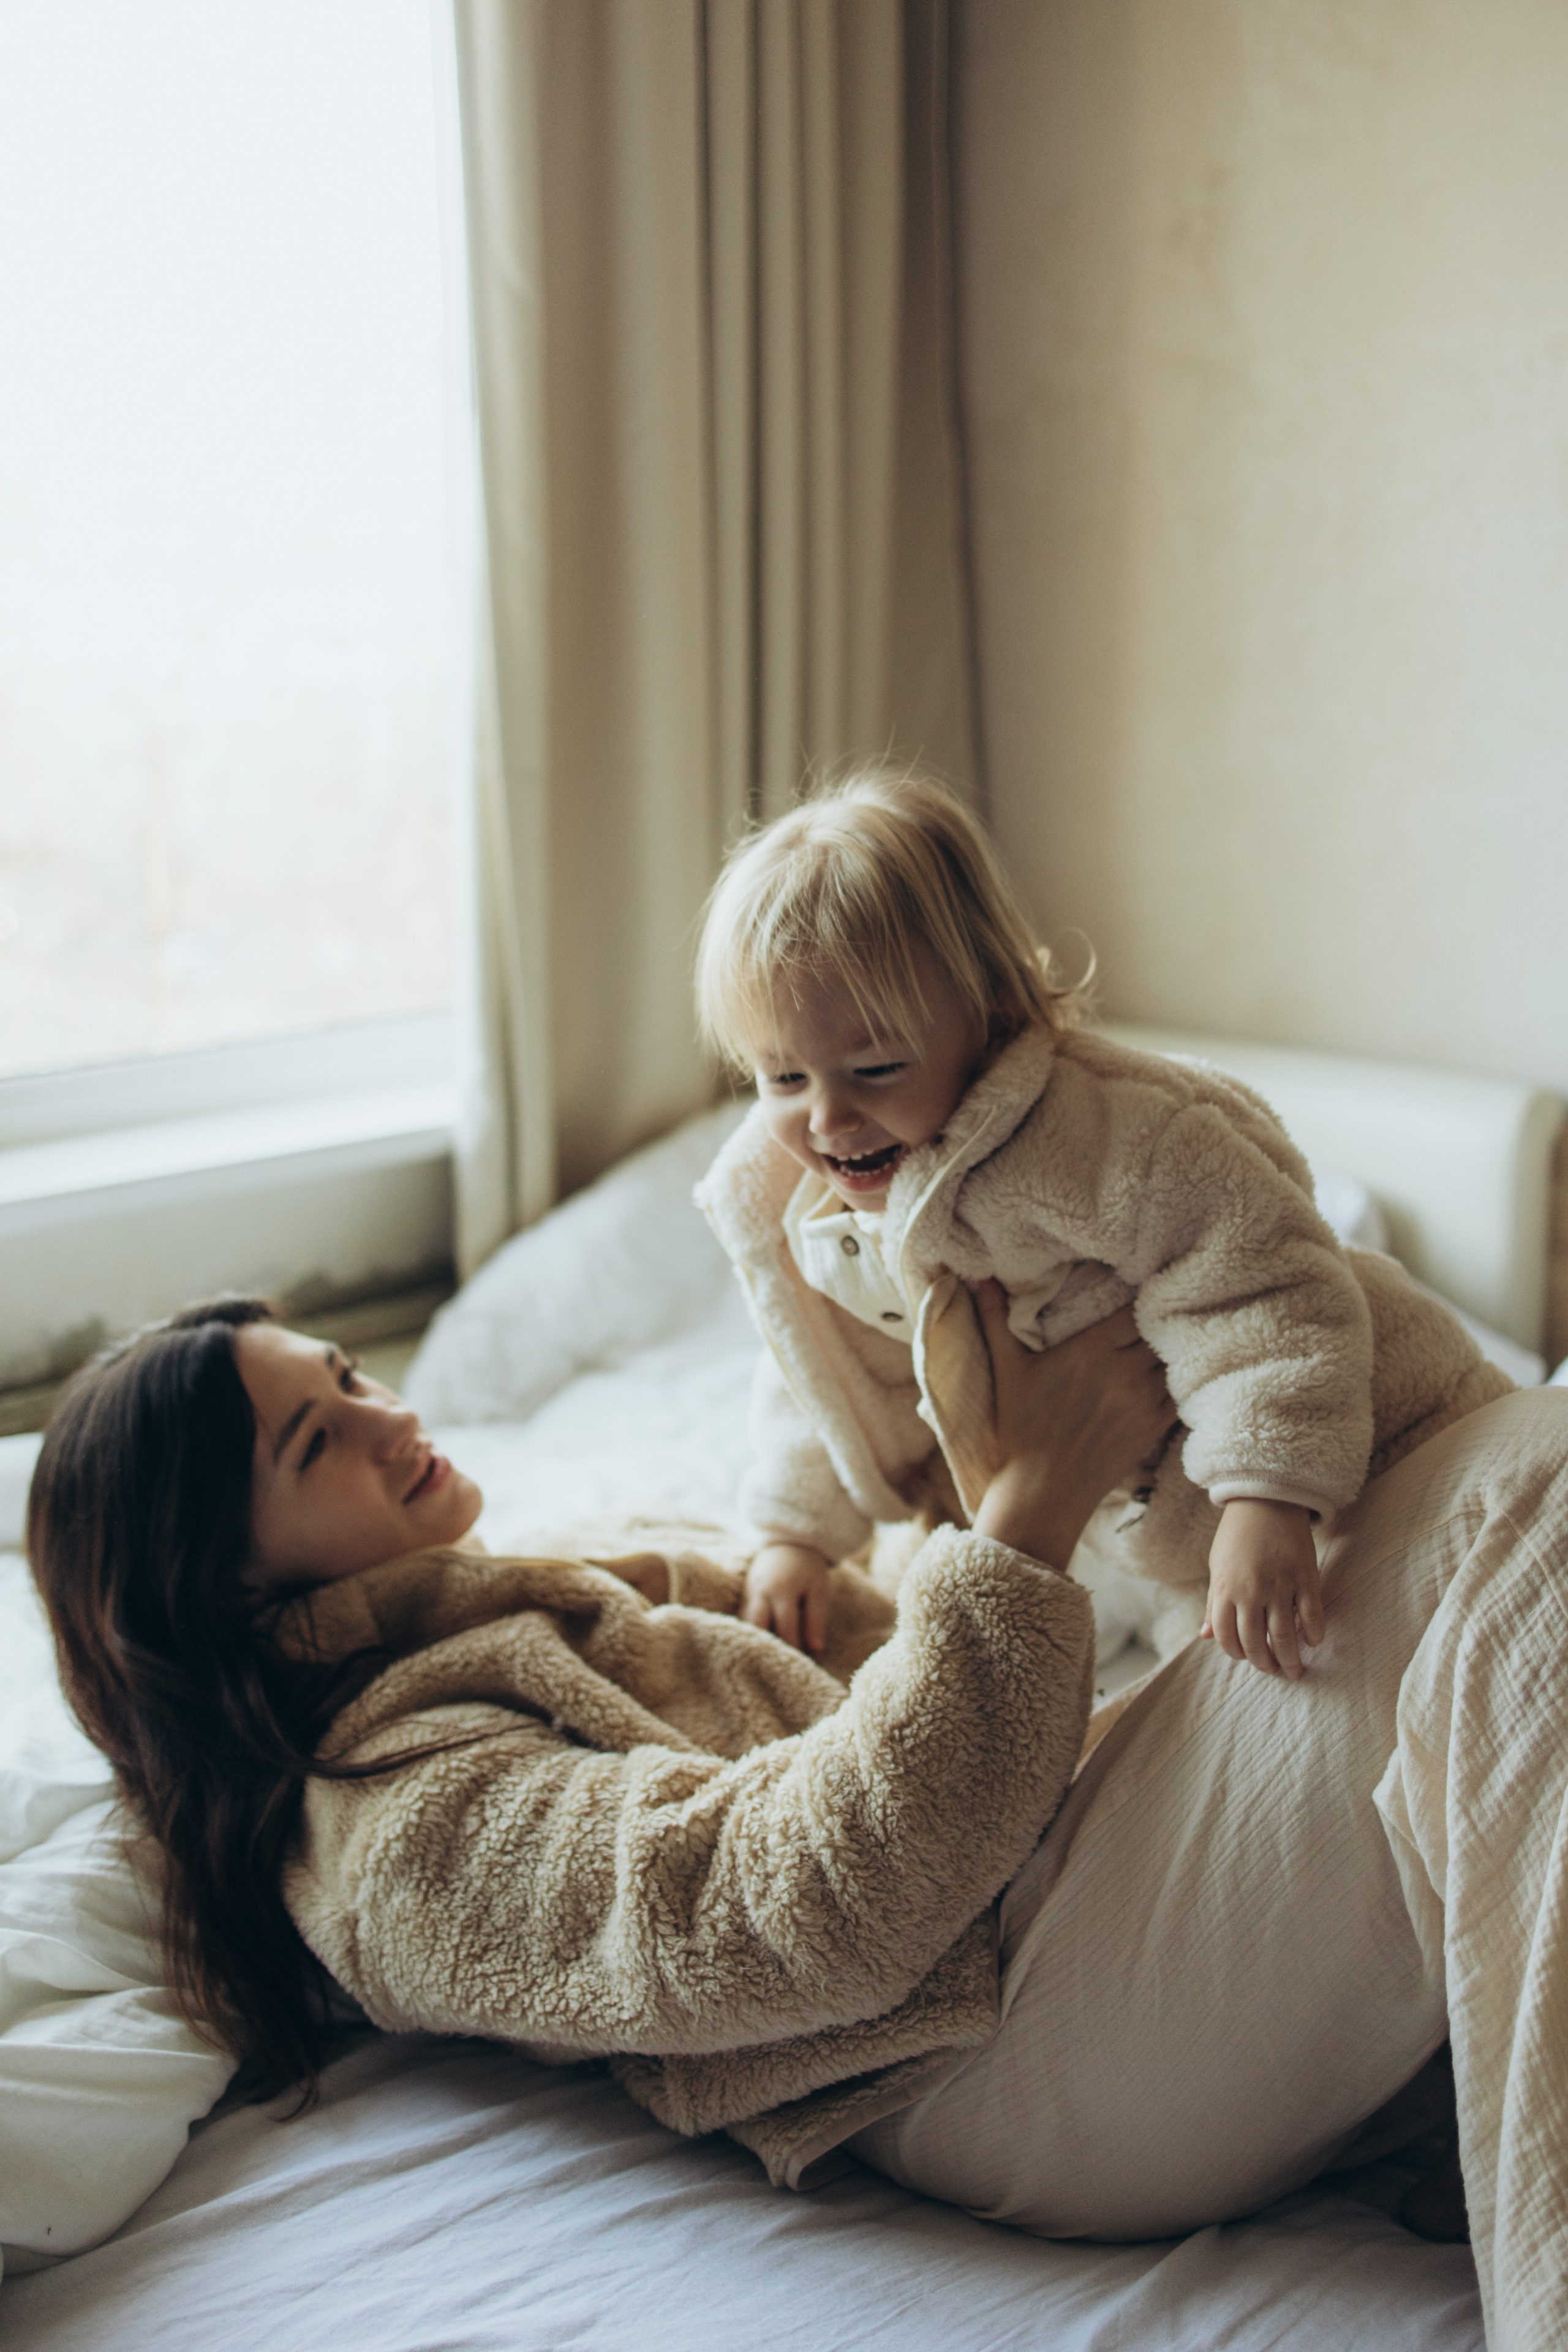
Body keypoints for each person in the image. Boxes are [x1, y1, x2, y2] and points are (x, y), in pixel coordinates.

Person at [23, 1294, 1568, 2348]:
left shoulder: (565, 1595)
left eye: (347, 1378)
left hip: (1034, 1908)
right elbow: (779, 1923)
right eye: (316, 1444)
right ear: (224, 1583)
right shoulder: (381, 1825)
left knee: (1474, 1479)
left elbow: (917, 1723)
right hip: (986, 2050)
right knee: (1532, 1499)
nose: (389, 1416)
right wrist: (1018, 1518)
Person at [692, 768, 1510, 1674]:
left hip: (1370, 1437)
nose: (829, 1120)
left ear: (991, 1014)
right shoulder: (820, 1216)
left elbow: (1264, 1283)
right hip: (1152, 1530)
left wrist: (1266, 1496)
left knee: (1396, 1647)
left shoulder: (1111, 1140)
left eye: (877, 1068)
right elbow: (831, 1372)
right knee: (1194, 1691)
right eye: (783, 1079)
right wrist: (794, 1536)